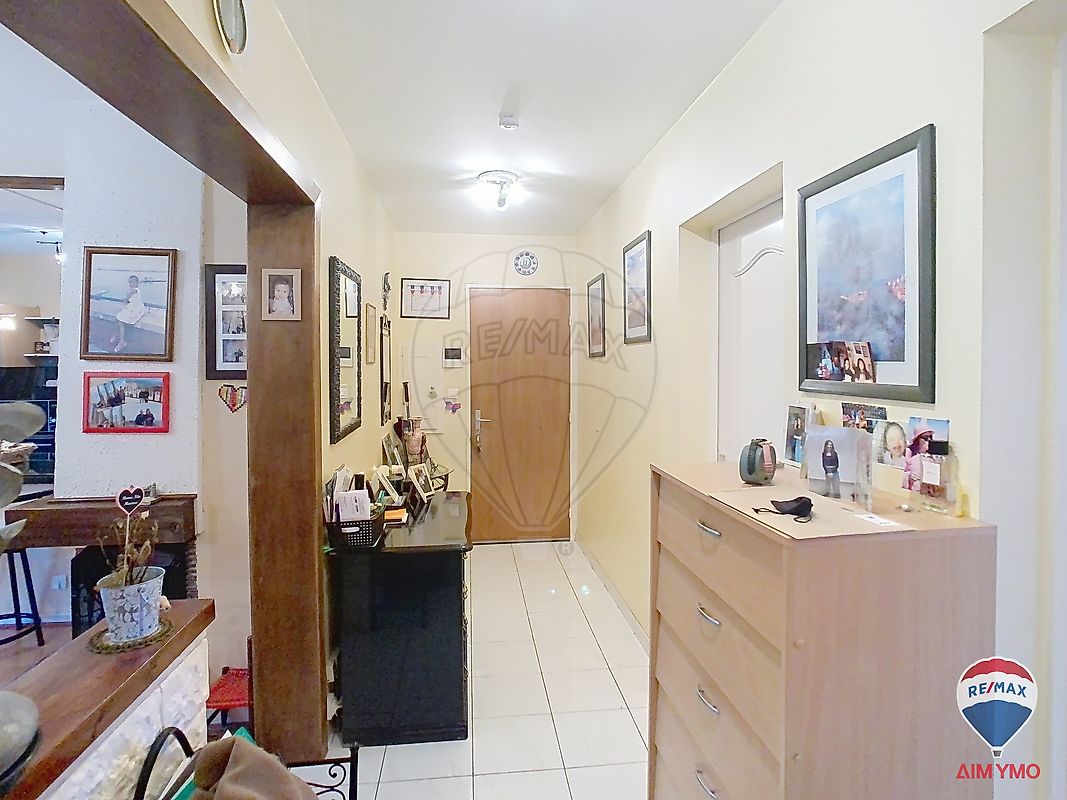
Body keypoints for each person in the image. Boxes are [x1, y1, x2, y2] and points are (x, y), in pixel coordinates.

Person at [113, 275, 147, 353]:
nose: (130, 284)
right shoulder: (130, 290)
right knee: (118, 319)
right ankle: (118, 336)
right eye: (129, 282)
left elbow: (127, 299)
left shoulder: (135, 290)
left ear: (137, 283)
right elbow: (128, 300)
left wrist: (125, 299)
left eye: (132, 282)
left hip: (136, 309)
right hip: (132, 307)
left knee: (121, 321)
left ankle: (121, 341)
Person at [902, 426, 934, 491]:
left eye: (930, 437)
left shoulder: (930, 454)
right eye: (926, 437)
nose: (929, 440)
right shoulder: (909, 452)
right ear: (918, 439)